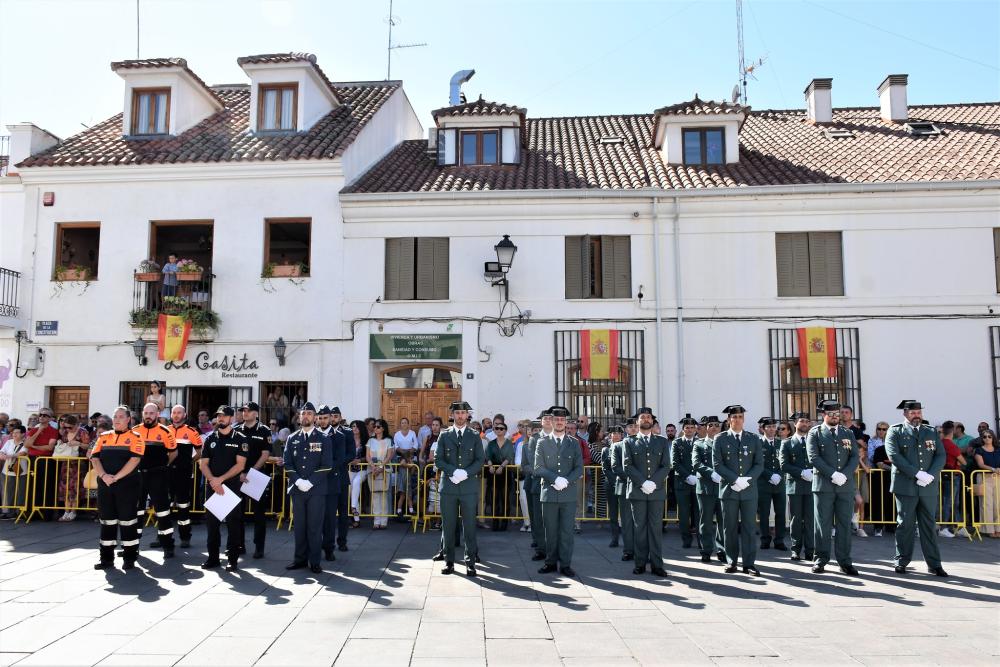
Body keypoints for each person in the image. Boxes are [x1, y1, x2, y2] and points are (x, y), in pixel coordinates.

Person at [885, 400, 948, 576]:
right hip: (906, 485)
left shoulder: (930, 431)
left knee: (929, 525)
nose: (916, 415)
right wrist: (917, 474)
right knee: (905, 524)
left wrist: (930, 475)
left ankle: (934, 564)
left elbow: (940, 455)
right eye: (912, 412)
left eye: (919, 412)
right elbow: (894, 456)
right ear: (905, 414)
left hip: (927, 485)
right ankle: (901, 561)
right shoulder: (895, 430)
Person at [807, 399, 860, 576]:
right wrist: (833, 474)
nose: (835, 417)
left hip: (844, 486)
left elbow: (854, 457)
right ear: (824, 415)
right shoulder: (815, 433)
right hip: (824, 486)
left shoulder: (847, 433)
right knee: (822, 524)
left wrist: (844, 474)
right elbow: (814, 457)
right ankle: (820, 559)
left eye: (837, 414)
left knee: (844, 524)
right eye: (831, 414)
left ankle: (845, 561)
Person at [91, 406, 145, 570]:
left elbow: (134, 460)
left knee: (128, 522)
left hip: (127, 485)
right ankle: (106, 559)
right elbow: (94, 458)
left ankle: (129, 558)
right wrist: (104, 476)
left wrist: (116, 477)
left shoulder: (136, 437)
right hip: (106, 485)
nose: (117, 419)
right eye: (115, 416)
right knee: (107, 521)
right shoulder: (104, 436)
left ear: (128, 419)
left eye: (121, 416)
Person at [713, 405, 764, 576]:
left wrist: (746, 480)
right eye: (734, 417)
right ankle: (731, 561)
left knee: (749, 528)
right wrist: (735, 480)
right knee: (730, 527)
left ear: (743, 419)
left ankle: (749, 564)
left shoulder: (753, 438)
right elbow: (717, 465)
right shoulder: (720, 439)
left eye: (740, 417)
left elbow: (759, 464)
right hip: (729, 490)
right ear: (728, 420)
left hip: (749, 490)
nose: (737, 420)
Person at [436, 401, 485, 576]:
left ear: (467, 415)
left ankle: (470, 562)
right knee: (448, 526)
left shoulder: (474, 435)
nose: (460, 416)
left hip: (468, 487)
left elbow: (480, 459)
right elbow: (438, 459)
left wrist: (465, 473)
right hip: (448, 487)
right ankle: (449, 561)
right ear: (452, 415)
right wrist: (453, 471)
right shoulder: (444, 435)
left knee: (470, 526)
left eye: (463, 413)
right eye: (457, 413)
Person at [535, 405, 584, 577]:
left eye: (562, 420)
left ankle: (565, 564)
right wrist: (554, 479)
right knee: (550, 531)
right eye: (556, 420)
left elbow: (579, 468)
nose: (559, 422)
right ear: (551, 421)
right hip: (549, 493)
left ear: (566, 422)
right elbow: (538, 467)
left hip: (568, 494)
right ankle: (550, 562)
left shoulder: (574, 443)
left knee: (566, 531)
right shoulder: (542, 442)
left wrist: (566, 481)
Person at [197, 406, 248, 571]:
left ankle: (232, 559)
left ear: (231, 418)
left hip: (231, 487)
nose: (221, 419)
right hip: (213, 487)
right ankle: (213, 558)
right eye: (219, 416)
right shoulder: (211, 438)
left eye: (224, 416)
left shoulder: (240, 438)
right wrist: (213, 480)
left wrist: (221, 480)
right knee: (212, 524)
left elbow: (240, 465)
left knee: (233, 524)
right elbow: (203, 464)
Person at [284, 402, 332, 574]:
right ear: (299, 416)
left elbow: (327, 465)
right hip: (297, 490)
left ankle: (315, 561)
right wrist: (298, 481)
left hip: (317, 490)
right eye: (303, 413)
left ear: (315, 417)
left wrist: (310, 482)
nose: (306, 416)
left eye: (309, 413)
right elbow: (288, 463)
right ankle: (299, 559)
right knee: (299, 526)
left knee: (314, 527)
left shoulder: (323, 438)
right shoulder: (292, 438)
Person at [624, 407, 670, 577]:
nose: (646, 419)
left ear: (652, 421)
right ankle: (640, 563)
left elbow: (666, 465)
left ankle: (657, 564)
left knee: (656, 528)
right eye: (642, 417)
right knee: (640, 528)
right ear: (637, 421)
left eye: (648, 417)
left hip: (656, 492)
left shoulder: (662, 441)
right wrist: (643, 482)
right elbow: (627, 465)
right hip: (638, 491)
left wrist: (653, 482)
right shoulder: (629, 441)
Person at [134, 402, 177, 557]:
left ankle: (168, 546)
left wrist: (164, 465)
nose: (148, 416)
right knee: (136, 511)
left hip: (158, 475)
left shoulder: (165, 432)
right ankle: (132, 546)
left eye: (151, 413)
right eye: (146, 413)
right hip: (139, 475)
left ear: (157, 414)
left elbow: (173, 453)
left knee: (163, 511)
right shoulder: (134, 431)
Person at [236, 401, 272, 559]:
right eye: (243, 410)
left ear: (256, 413)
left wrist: (251, 472)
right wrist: (240, 473)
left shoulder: (264, 430)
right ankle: (239, 544)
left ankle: (259, 547)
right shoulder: (236, 430)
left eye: (248, 411)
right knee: (237, 513)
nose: (245, 413)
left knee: (259, 514)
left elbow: (265, 454)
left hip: (256, 475)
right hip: (238, 475)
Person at [780, 412, 815, 561]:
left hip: (812, 485)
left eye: (807, 421)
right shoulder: (786, 443)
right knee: (795, 519)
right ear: (795, 424)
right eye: (801, 421)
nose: (805, 423)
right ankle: (796, 549)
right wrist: (801, 472)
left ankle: (810, 550)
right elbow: (784, 465)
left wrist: (813, 471)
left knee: (810, 519)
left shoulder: (814, 442)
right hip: (795, 486)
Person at [167, 404, 202, 548]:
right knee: (165, 506)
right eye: (174, 412)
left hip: (183, 473)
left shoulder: (192, 432)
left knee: (183, 505)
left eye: (179, 413)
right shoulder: (165, 430)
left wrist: (188, 463)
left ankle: (185, 537)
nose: (176, 415)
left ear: (184, 415)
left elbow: (199, 453)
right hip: (167, 473)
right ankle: (163, 536)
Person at [692, 416, 725, 564]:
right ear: (706, 427)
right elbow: (696, 463)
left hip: (723, 487)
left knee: (723, 521)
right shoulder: (699, 444)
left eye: (716, 425)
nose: (713, 427)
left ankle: (722, 549)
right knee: (705, 521)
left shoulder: (725, 443)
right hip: (705, 488)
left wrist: (723, 475)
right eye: (710, 425)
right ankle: (706, 550)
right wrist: (711, 473)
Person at [317, 406, 346, 560]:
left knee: (329, 518)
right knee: (315, 518)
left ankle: (329, 548)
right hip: (314, 484)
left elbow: (340, 459)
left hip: (331, 482)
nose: (322, 421)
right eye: (320, 418)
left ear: (330, 418)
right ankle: (315, 547)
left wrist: (321, 471)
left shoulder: (339, 436)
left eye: (325, 418)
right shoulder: (312, 435)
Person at [523, 410, 552, 562]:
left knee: (553, 520)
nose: (547, 421)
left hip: (555, 485)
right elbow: (531, 464)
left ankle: (554, 549)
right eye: (545, 418)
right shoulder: (533, 440)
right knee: (538, 520)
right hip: (537, 483)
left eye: (550, 418)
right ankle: (541, 548)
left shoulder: (560, 437)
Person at [756, 417, 787, 550]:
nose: (772, 429)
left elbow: (785, 461)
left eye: (774, 427)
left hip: (779, 484)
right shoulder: (757, 444)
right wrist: (769, 475)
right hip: (763, 484)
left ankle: (779, 540)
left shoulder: (782, 443)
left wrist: (779, 475)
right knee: (764, 513)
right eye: (768, 427)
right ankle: (765, 539)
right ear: (763, 429)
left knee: (781, 513)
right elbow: (756, 463)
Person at [671, 414, 700, 550]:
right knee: (684, 513)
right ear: (683, 429)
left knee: (699, 512)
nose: (689, 430)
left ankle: (701, 540)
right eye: (686, 427)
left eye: (691, 427)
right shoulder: (677, 443)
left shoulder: (700, 442)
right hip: (682, 482)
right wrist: (688, 476)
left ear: (695, 429)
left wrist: (696, 476)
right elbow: (675, 463)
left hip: (698, 482)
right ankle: (686, 539)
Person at [611, 418, 637, 561]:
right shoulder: (618, 446)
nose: (633, 429)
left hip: (641, 488)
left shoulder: (644, 444)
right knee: (627, 521)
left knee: (641, 521)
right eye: (630, 426)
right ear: (625, 430)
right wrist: (634, 478)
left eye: (635, 426)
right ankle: (628, 550)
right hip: (624, 486)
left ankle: (642, 549)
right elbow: (616, 467)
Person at [54, 414, 89, 522]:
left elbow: (88, 446)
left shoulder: (82, 432)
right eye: (66, 427)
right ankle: (66, 511)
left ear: (76, 425)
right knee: (65, 488)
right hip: (66, 463)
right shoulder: (64, 432)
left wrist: (78, 443)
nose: (68, 429)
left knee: (75, 488)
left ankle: (73, 511)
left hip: (78, 463)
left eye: (70, 427)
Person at [937, 420, 965, 538]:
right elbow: (963, 461)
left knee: (952, 502)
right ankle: (944, 527)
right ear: (952, 431)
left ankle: (958, 526)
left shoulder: (940, 443)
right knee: (950, 502)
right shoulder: (950, 445)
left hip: (944, 475)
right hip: (952, 475)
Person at [330, 407, 353, 553]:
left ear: (340, 417)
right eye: (331, 416)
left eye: (335, 416)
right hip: (326, 477)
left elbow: (351, 453)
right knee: (328, 513)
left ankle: (342, 541)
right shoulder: (321, 432)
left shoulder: (347, 432)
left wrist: (337, 463)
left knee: (343, 512)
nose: (333, 418)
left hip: (342, 476)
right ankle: (328, 542)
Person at [485, 422, 515, 531]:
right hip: (493, 474)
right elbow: (487, 455)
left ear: (505, 431)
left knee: (505, 498)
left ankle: (504, 522)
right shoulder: (491, 443)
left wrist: (502, 466)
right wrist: (490, 466)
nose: (498, 430)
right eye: (496, 428)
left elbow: (510, 456)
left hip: (505, 473)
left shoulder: (509, 443)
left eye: (501, 429)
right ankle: (495, 522)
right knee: (494, 498)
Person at [367, 419, 394, 529]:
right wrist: (373, 466)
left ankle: (383, 521)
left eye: (378, 426)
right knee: (375, 496)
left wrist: (381, 466)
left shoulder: (388, 440)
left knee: (383, 495)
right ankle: (376, 521)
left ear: (383, 428)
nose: (375, 428)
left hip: (385, 469)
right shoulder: (370, 440)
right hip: (372, 469)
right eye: (375, 426)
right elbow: (368, 455)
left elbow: (390, 455)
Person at [601, 425, 625, 548]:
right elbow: (605, 468)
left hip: (624, 483)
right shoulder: (605, 450)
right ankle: (614, 538)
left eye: (618, 434)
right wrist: (615, 480)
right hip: (611, 484)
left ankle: (627, 539)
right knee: (613, 513)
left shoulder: (625, 448)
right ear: (610, 436)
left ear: (621, 436)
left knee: (626, 513)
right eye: (613, 434)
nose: (615, 435)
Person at [973, 429, 1000, 537]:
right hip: (984, 477)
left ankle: (998, 529)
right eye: (984, 436)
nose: (987, 438)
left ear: (993, 437)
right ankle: (988, 529)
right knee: (986, 504)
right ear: (982, 438)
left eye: (989, 436)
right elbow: (981, 464)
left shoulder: (998, 449)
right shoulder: (979, 450)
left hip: (997, 477)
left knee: (998, 504)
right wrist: (993, 469)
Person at [0, 424, 30, 520]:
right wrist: (2, 455)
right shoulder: (9, 442)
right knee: (7, 491)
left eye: (17, 432)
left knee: (21, 491)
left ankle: (19, 511)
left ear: (23, 434)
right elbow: (2, 451)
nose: (14, 434)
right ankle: (8, 511)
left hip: (21, 471)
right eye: (13, 432)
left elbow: (23, 452)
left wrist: (10, 455)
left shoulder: (26, 443)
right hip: (7, 471)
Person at [392, 417, 419, 519]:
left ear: (408, 424)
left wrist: (410, 451)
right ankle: (406, 509)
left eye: (405, 423)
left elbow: (416, 444)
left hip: (410, 456)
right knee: (404, 489)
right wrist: (402, 451)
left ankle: (404, 509)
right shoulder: (397, 434)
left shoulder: (412, 433)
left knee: (408, 486)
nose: (403, 424)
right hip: (401, 457)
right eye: (402, 423)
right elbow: (395, 446)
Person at [348, 419, 369, 527]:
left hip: (362, 469)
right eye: (352, 426)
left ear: (360, 428)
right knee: (352, 492)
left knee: (356, 483)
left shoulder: (366, 441)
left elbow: (369, 457)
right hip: (350, 469)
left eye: (355, 426)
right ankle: (356, 518)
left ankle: (353, 507)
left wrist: (360, 460)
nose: (353, 428)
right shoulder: (348, 440)